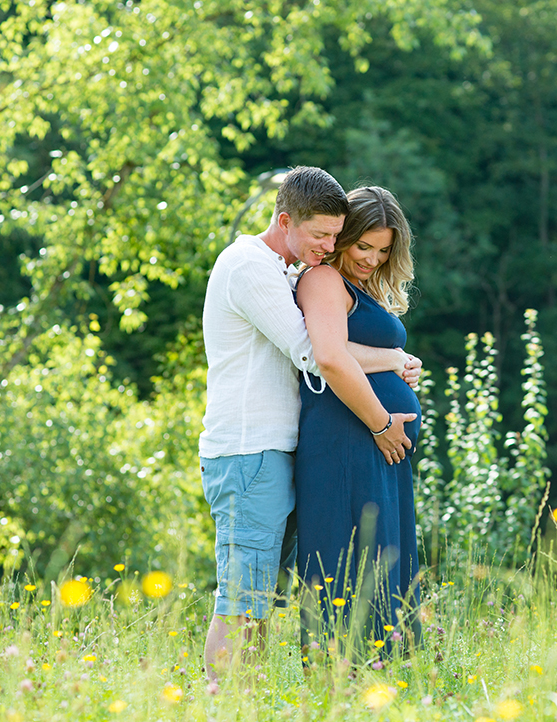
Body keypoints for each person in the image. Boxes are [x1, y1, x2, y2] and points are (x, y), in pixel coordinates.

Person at [199, 168, 419, 680]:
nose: (329, 246)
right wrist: (392, 362)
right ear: (285, 220)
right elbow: (318, 354)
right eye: (321, 236)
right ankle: (226, 708)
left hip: (278, 452)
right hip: (249, 452)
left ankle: (245, 705)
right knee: (243, 599)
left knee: (263, 597)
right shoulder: (250, 267)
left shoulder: (284, 271)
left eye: (333, 235)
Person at [294, 186, 423, 658]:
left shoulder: (359, 286)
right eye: (363, 245)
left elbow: (361, 353)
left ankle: (379, 687)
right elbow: (325, 353)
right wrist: (382, 415)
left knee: (380, 563)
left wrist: (398, 364)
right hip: (351, 437)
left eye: (384, 250)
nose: (371, 259)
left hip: (377, 446)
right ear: (343, 236)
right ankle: (341, 681)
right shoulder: (324, 279)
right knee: (350, 560)